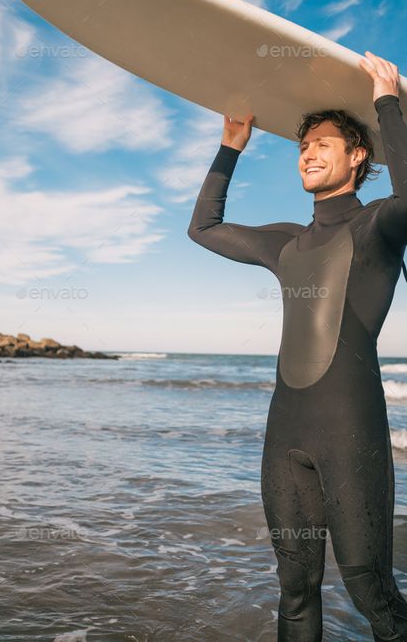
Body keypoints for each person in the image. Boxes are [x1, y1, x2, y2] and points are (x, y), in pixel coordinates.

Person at [187, 50, 407, 641]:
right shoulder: (287, 240)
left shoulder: (381, 224)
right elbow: (202, 227)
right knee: (294, 587)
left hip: (351, 432)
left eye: (324, 143)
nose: (307, 152)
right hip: (285, 435)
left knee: (370, 588)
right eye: (302, 145)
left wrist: (387, 101)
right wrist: (232, 145)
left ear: (358, 157)